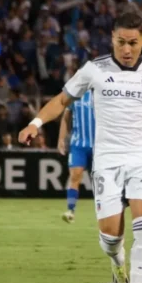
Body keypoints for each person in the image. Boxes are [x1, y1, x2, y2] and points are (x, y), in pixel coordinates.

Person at [18, 13, 142, 283]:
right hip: (108, 159)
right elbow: (62, 100)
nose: (127, 49)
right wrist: (35, 122)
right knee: (111, 237)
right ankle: (117, 261)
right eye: (121, 42)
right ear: (112, 38)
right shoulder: (94, 70)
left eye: (133, 43)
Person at [57, 90, 95, 223]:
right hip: (78, 145)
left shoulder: (104, 92)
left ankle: (105, 211)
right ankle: (70, 210)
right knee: (75, 176)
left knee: (99, 181)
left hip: (100, 146)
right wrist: (61, 139)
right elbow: (66, 117)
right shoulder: (75, 94)